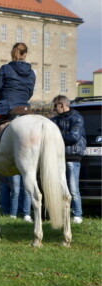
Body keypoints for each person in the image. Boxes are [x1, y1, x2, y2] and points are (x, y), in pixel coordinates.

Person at [50, 95, 86, 224]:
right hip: (57, 157)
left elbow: (73, 137)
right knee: (58, 187)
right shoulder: (54, 120)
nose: (54, 109)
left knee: (73, 188)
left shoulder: (77, 118)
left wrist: (55, 137)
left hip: (72, 156)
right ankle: (60, 214)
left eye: (55, 106)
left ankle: (77, 215)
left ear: (62, 105)